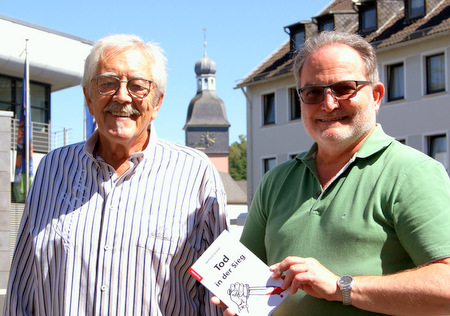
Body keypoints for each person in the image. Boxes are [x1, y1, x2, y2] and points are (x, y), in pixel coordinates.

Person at [213, 31, 450, 315]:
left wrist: (342, 287)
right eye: (313, 92)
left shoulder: (413, 173)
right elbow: (248, 280)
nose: (328, 104)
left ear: (375, 96)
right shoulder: (276, 181)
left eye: (344, 88)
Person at [4, 34, 228, 316]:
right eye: (107, 83)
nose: (122, 96)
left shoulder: (197, 175)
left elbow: (217, 298)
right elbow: (22, 291)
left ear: (157, 103)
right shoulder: (51, 169)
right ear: (89, 97)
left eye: (137, 86)